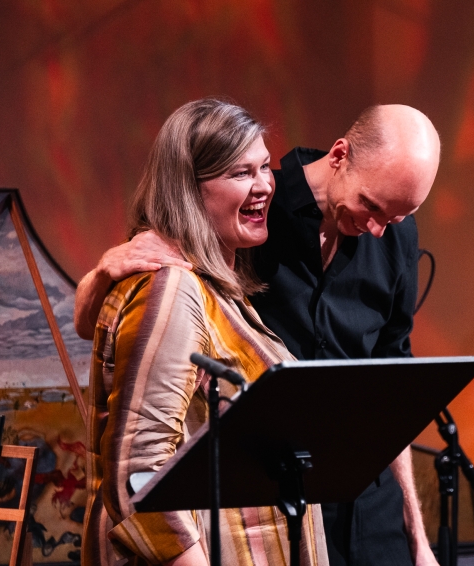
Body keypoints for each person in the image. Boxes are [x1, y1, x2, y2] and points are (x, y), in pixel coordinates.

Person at [75, 104, 441, 566]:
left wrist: (417, 536)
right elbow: (139, 466)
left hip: (358, 514)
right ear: (339, 156)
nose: (377, 229)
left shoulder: (379, 237)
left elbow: (389, 382)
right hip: (248, 517)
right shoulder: (246, 225)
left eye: (397, 217)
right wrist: (106, 269)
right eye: (371, 205)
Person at [81, 98, 329, 566]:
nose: (264, 185)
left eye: (264, 167)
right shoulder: (174, 289)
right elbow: (139, 472)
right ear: (188, 190)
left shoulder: (217, 289)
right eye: (241, 173)